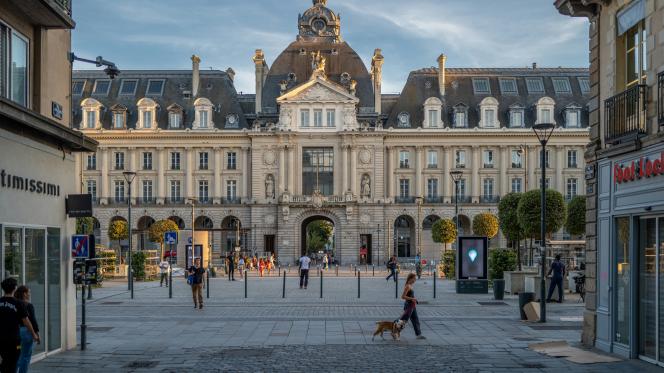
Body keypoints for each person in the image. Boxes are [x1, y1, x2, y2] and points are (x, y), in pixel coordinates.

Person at [0, 278, 39, 373]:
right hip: (14, 340)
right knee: (14, 360)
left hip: (1, 338)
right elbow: (26, 321)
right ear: (14, 288)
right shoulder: (19, 303)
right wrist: (34, 334)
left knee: (5, 360)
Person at [15, 286, 39, 373]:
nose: (30, 294)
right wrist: (36, 334)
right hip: (26, 333)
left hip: (16, 333)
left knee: (17, 354)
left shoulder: (15, 304)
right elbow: (33, 321)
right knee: (25, 356)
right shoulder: (28, 305)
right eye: (29, 292)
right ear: (24, 294)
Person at [400, 273, 425, 340]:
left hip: (412, 306)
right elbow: (403, 296)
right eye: (414, 279)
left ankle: (418, 335)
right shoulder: (408, 286)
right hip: (409, 306)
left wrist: (414, 299)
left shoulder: (410, 285)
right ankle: (392, 328)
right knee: (403, 320)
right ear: (410, 278)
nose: (415, 280)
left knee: (415, 320)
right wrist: (412, 299)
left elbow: (410, 296)